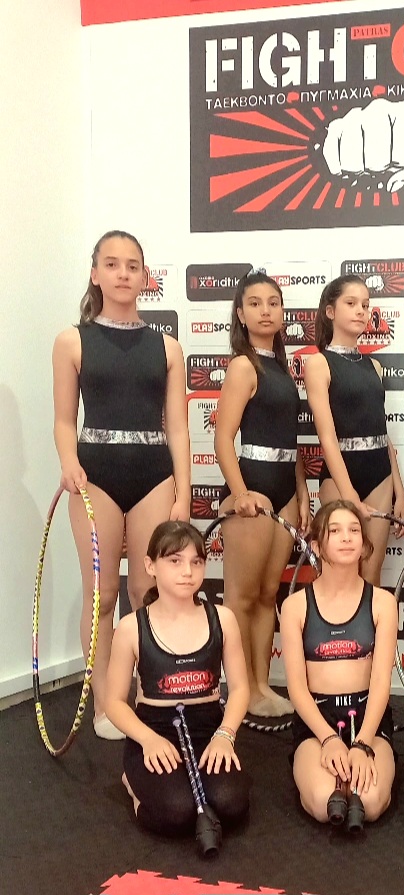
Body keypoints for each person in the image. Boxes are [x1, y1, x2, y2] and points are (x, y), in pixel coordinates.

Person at [52, 230, 190, 739]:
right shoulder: (72, 341)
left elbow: (179, 429)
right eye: (112, 264)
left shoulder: (167, 347)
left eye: (132, 265)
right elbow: (64, 420)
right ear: (95, 274)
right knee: (103, 595)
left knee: (147, 590)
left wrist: (183, 491)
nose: (123, 273)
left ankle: (149, 696)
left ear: (145, 277)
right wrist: (69, 461)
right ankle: (107, 703)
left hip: (154, 473)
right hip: (96, 477)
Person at [105, 521, 250, 836]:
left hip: (208, 728)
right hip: (154, 730)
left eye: (196, 562)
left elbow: (240, 689)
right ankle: (132, 783)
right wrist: (147, 740)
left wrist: (225, 735)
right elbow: (113, 702)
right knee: (176, 813)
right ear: (150, 566)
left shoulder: (223, 618)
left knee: (231, 805)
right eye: (175, 561)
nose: (188, 572)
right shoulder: (131, 627)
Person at [214, 270, 310, 718]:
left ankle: (260, 685)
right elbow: (222, 439)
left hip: (284, 489)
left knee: (269, 593)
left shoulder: (281, 368)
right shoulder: (243, 365)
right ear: (240, 314)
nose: (265, 310)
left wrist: (303, 494)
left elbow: (290, 442)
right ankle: (239, 690)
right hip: (251, 487)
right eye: (255, 303)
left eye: (273, 302)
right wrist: (240, 493)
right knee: (241, 595)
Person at [279, 500, 397, 826]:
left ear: (364, 543)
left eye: (354, 530)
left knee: (369, 803)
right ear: (317, 546)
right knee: (324, 803)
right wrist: (329, 739)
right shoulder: (295, 606)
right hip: (317, 720)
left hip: (367, 718)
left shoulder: (383, 603)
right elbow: (297, 689)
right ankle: (332, 774)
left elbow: (381, 684)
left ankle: (355, 772)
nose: (346, 537)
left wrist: (362, 743)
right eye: (335, 531)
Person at [304, 275, 404, 585]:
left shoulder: (374, 367)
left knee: (371, 575)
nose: (361, 311)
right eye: (351, 303)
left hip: (380, 476)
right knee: (338, 573)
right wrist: (348, 494)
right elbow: (326, 438)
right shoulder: (319, 363)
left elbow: (383, 434)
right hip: (339, 478)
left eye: (365, 304)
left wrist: (399, 491)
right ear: (330, 311)